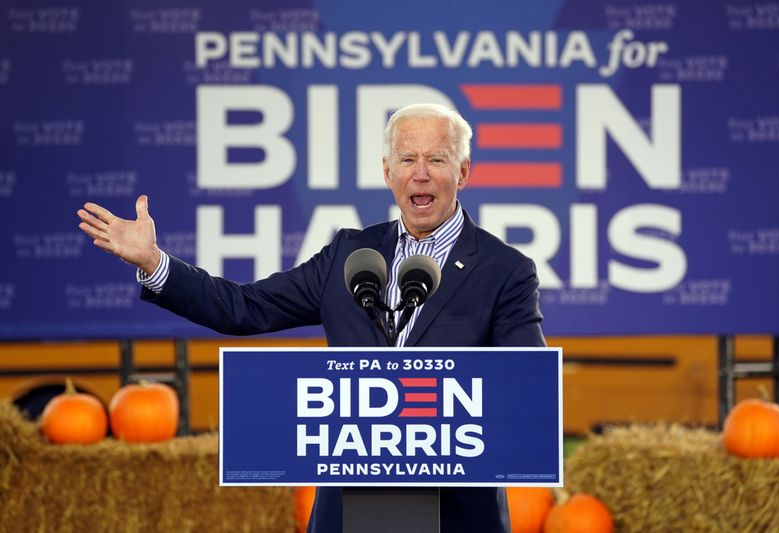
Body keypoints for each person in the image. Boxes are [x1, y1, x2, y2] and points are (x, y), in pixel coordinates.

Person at [77, 103, 545, 533]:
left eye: (437, 160)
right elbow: (245, 307)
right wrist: (156, 264)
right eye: (407, 160)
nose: (420, 174)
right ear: (387, 172)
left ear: (462, 171)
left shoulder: (504, 271)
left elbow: (526, 385)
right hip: (351, 508)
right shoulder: (350, 254)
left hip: (458, 513)